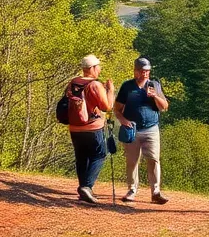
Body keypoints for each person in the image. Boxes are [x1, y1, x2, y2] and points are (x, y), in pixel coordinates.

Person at [114, 57, 170, 204]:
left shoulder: (154, 85)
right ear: (136, 71)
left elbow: (164, 106)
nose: (146, 74)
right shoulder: (127, 87)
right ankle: (132, 190)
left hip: (151, 129)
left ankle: (156, 192)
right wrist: (124, 121)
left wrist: (155, 96)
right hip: (133, 129)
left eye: (148, 71)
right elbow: (117, 109)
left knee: (153, 159)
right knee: (132, 161)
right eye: (143, 71)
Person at [68, 54, 114, 204]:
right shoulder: (94, 85)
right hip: (92, 127)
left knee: (81, 158)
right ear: (92, 68)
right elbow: (106, 107)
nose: (99, 70)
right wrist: (110, 91)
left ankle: (83, 189)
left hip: (75, 127)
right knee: (99, 155)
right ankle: (87, 187)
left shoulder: (73, 83)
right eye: (98, 67)